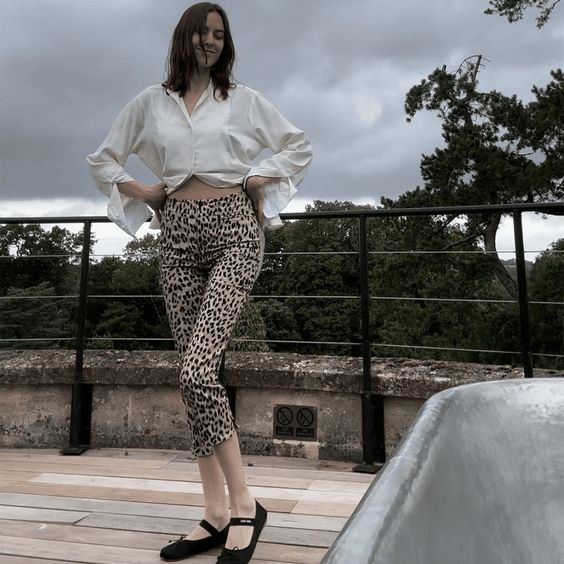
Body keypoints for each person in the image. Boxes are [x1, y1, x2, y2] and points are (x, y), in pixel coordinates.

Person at [86, 2, 312, 563]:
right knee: (193, 380)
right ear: (184, 37)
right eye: (203, 32)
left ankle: (244, 505)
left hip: (235, 229)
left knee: (197, 369)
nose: (210, 41)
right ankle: (214, 511)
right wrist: (144, 191)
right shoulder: (150, 103)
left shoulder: (243, 99)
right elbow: (103, 160)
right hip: (178, 236)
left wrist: (258, 179)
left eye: (219, 34)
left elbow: (297, 146)